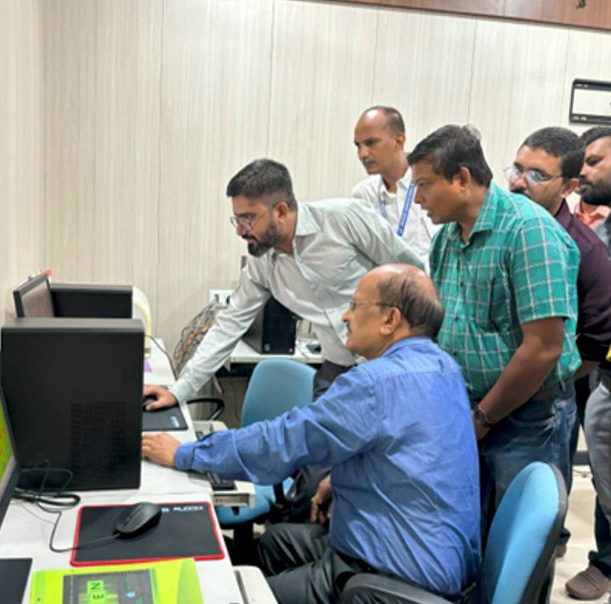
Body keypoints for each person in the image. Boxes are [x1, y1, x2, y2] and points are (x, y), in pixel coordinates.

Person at [143, 265, 481, 604]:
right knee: (274, 545)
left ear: (390, 320)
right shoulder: (444, 368)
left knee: (236, 597)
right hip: (434, 556)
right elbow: (415, 454)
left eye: (355, 305)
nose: (346, 316)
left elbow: (282, 441)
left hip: (394, 578)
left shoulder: (376, 383)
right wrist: (338, 480)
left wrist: (184, 454)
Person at [144, 158, 422, 409]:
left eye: (248, 218)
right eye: (237, 219)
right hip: (338, 370)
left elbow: (414, 274)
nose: (240, 230)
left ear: (280, 211)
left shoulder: (344, 219)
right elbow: (230, 323)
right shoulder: (262, 262)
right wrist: (180, 390)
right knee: (318, 459)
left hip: (389, 365)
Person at [408, 125, 581, 523]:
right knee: (475, 527)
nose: (417, 199)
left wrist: (484, 417)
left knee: (518, 541)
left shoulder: (528, 230)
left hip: (527, 417)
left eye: (425, 185)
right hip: (471, 410)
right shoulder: (447, 237)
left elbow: (543, 348)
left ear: (463, 179)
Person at [505, 126, 611, 571]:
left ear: (565, 187)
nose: (517, 181)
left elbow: (598, 331)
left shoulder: (584, 249)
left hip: (557, 387)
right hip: (504, 389)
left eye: (535, 174)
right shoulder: (506, 229)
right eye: (516, 168)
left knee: (539, 502)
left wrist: (561, 374)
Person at [566, 126, 611, 600]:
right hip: (599, 371)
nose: (583, 171)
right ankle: (606, 560)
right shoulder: (598, 236)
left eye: (595, 161)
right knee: (604, 474)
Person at [351, 106, 437, 264]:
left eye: (371, 143)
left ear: (399, 141)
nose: (363, 154)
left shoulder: (431, 185)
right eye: (358, 145)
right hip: (385, 283)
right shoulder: (363, 194)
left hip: (429, 283)